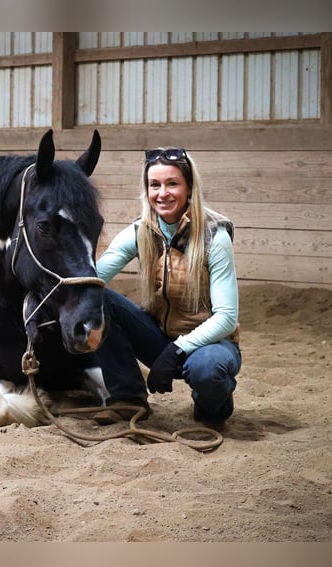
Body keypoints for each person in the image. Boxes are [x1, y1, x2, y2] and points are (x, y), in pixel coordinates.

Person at [93, 146, 241, 428]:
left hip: (210, 345)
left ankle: (213, 408)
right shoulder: (141, 231)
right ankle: (127, 398)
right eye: (155, 185)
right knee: (96, 298)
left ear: (189, 188)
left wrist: (177, 351)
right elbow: (95, 277)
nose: (163, 193)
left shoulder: (214, 237)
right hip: (159, 338)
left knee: (209, 370)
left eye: (172, 183)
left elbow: (226, 318)